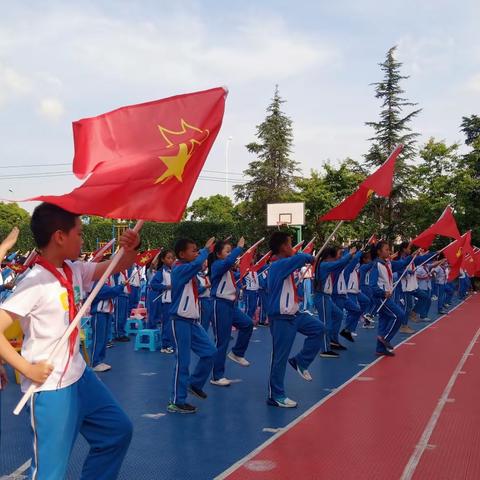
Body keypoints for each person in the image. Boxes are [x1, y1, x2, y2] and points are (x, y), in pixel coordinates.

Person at [0, 203, 138, 479]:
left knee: (117, 432)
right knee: (50, 473)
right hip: (50, 387)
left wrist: (131, 248)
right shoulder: (35, 281)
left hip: (79, 376)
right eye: (80, 232)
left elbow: (117, 265)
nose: (83, 239)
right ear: (60, 237)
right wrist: (25, 369)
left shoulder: (73, 270)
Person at [266, 232, 324, 408]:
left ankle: (301, 361)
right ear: (283, 247)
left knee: (319, 329)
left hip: (295, 314)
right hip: (281, 317)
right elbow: (301, 259)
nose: (293, 247)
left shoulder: (285, 265)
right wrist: (310, 258)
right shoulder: (278, 265)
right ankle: (276, 395)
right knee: (279, 357)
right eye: (291, 244)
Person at [168, 237, 216, 414]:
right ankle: (177, 401)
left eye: (197, 250)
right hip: (180, 321)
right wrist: (205, 250)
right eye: (193, 250)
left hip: (193, 323)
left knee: (210, 352)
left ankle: (194, 384)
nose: (197, 253)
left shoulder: (190, 272)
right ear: (181, 254)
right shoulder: (179, 269)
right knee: (183, 361)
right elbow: (196, 264)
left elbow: (192, 289)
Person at [209, 238, 254, 386]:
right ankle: (217, 376)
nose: (230, 254)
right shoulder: (217, 265)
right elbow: (228, 263)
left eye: (230, 251)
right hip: (220, 305)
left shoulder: (227, 270)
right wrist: (239, 248)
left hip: (231, 306)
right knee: (222, 341)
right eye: (227, 251)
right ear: (218, 254)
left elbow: (235, 274)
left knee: (247, 324)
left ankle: (237, 352)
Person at [369, 241, 411, 357]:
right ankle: (385, 338)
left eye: (389, 249)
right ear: (379, 252)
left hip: (386, 296)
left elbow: (402, 263)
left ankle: (380, 348)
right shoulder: (376, 265)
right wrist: (382, 293)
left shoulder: (388, 264)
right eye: (386, 249)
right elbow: (372, 285)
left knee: (384, 320)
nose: (389, 252)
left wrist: (413, 256)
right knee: (399, 315)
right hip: (382, 298)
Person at [313, 246, 356, 358]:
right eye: (334, 257)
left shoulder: (326, 265)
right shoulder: (324, 265)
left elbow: (340, 264)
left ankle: (331, 340)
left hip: (327, 297)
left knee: (339, 314)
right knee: (325, 322)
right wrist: (349, 254)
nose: (336, 259)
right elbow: (338, 263)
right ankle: (325, 349)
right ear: (328, 257)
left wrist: (348, 257)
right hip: (322, 296)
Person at [90, 277, 124, 372]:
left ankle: (100, 360)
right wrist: (120, 286)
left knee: (104, 339)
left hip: (107, 312)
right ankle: (94, 362)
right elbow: (107, 292)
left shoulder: (107, 280)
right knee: (98, 338)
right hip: (99, 312)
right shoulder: (96, 281)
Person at [152, 249, 176, 353]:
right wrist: (166, 287)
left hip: (175, 300)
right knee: (167, 323)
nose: (171, 260)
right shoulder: (161, 271)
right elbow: (153, 284)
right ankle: (165, 345)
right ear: (163, 259)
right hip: (166, 301)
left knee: (174, 324)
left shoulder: (175, 270)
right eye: (168, 258)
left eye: (172, 258)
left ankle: (172, 344)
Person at [197, 261, 213, 331]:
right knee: (201, 322)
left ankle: (204, 337)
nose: (205, 265)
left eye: (205, 263)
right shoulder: (195, 276)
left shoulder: (206, 275)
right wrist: (205, 287)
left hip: (208, 300)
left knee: (206, 322)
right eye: (203, 263)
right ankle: (199, 340)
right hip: (201, 300)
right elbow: (197, 291)